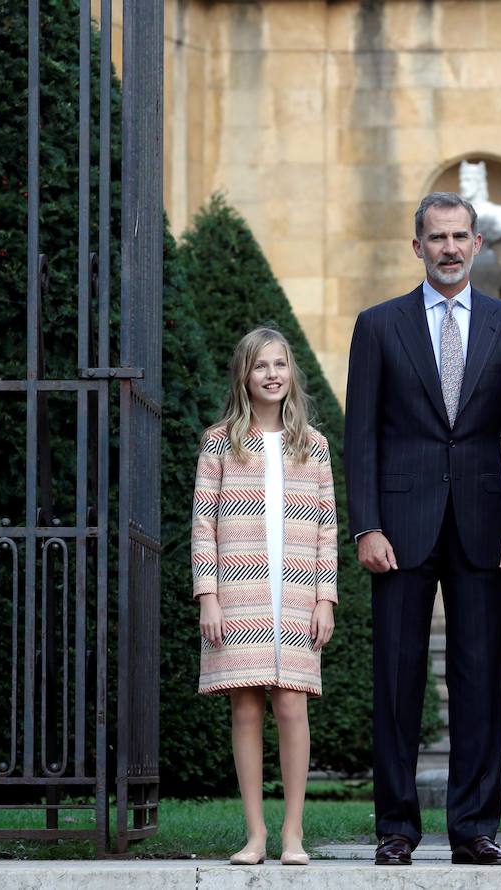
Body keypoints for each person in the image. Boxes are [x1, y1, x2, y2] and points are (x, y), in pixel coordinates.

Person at [343, 191, 501, 867]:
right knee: (396, 679)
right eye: (437, 237)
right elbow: (359, 435)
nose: (450, 248)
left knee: (480, 679)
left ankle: (475, 827)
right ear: (417, 245)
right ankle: (396, 826)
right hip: (398, 527)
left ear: (477, 245)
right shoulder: (378, 325)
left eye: (461, 236)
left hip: (484, 526)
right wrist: (365, 524)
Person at [192, 327, 339, 867]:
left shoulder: (313, 445)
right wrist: (207, 594)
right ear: (244, 375)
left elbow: (326, 525)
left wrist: (326, 598)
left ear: (291, 373)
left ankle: (293, 833)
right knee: (246, 708)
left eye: (280, 364)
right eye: (261, 366)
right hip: (240, 590)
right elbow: (203, 523)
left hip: (297, 592)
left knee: (292, 704)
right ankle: (255, 834)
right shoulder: (220, 441)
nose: (272, 374)